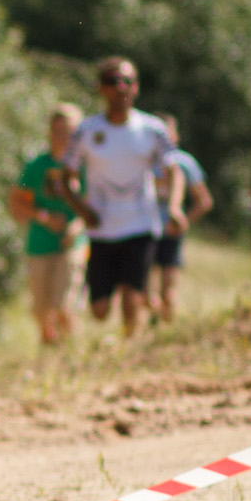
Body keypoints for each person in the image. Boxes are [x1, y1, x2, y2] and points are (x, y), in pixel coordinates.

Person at [54, 57, 181, 337]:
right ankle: (125, 331)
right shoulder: (86, 132)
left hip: (141, 224)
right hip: (101, 228)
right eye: (113, 81)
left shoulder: (153, 129)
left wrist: (173, 207)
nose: (121, 87)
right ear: (101, 88)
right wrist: (81, 209)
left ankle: (129, 350)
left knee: (131, 296)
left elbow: (175, 171)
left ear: (136, 87)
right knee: (99, 310)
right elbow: (67, 177)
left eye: (128, 81)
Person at [8, 104, 85, 345]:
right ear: (50, 132)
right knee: (41, 310)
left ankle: (72, 351)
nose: (63, 136)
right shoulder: (36, 166)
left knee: (64, 306)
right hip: (39, 244)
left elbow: (97, 206)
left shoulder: (85, 166)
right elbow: (16, 203)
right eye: (58, 130)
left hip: (73, 245)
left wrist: (78, 226)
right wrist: (43, 217)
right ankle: (49, 348)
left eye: (69, 131)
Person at [150, 114, 212, 321]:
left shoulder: (185, 163)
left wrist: (183, 222)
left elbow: (204, 201)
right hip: (144, 232)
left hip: (170, 234)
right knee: (144, 295)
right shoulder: (142, 161)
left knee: (168, 293)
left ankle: (166, 331)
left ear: (176, 136)